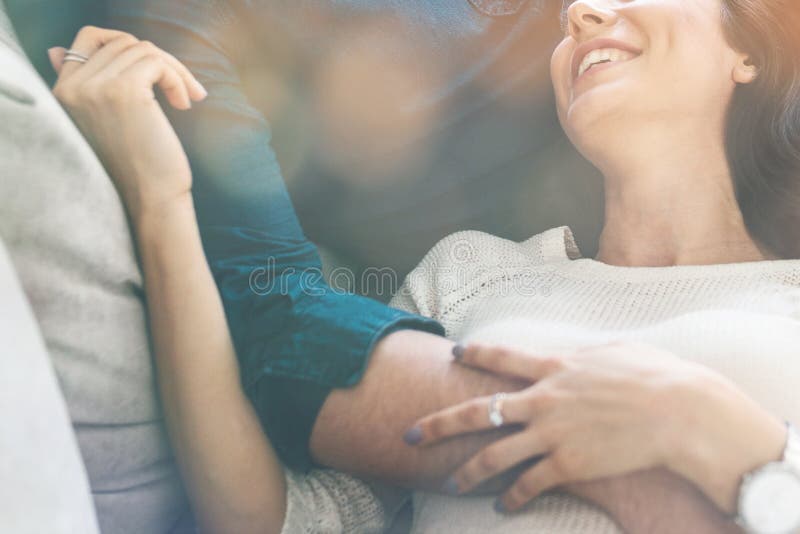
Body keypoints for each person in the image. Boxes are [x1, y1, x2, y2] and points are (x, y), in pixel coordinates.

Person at [49, 0, 800, 531]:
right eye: (570, 9)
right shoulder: (471, 273)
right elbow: (279, 519)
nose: (581, 13)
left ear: (751, 49)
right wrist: (162, 199)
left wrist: (718, 433)